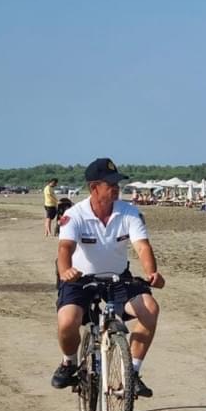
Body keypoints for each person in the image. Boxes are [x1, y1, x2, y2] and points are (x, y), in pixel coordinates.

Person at [51, 158, 165, 398]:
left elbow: (142, 247)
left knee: (150, 310)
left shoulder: (129, 212)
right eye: (110, 184)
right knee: (67, 322)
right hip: (79, 279)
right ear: (94, 188)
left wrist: (151, 272)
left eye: (117, 184)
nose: (116, 188)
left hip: (117, 278)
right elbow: (64, 249)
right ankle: (68, 362)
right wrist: (66, 271)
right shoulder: (75, 215)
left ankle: (132, 373)